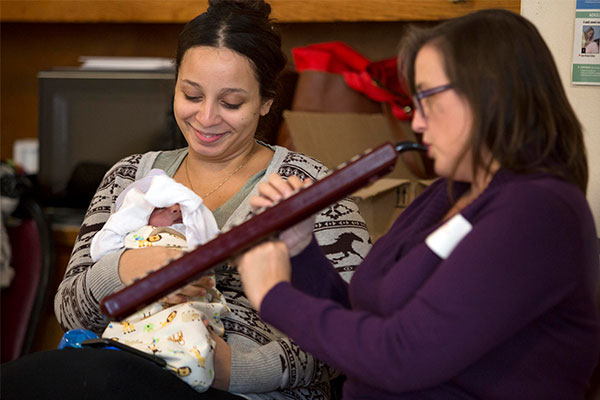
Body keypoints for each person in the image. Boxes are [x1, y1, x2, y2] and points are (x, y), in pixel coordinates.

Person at [0, 1, 370, 399]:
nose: (207, 117)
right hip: (121, 365)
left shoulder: (312, 188)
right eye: (191, 95)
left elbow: (351, 336)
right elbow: (70, 312)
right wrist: (125, 268)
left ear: (266, 102)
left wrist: (225, 369)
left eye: (231, 103)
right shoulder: (130, 178)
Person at [236, 9, 600, 400]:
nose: (418, 121)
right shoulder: (445, 193)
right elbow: (363, 320)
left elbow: (401, 355)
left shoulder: (538, 210)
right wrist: (300, 248)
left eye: (426, 98)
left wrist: (275, 296)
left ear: (487, 93)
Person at [90, 169, 229, 392]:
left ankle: (190, 364)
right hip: (140, 313)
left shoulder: (190, 237)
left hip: (186, 307)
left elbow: (213, 248)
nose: (174, 208)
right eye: (159, 206)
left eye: (178, 204)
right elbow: (98, 253)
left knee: (190, 325)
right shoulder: (132, 238)